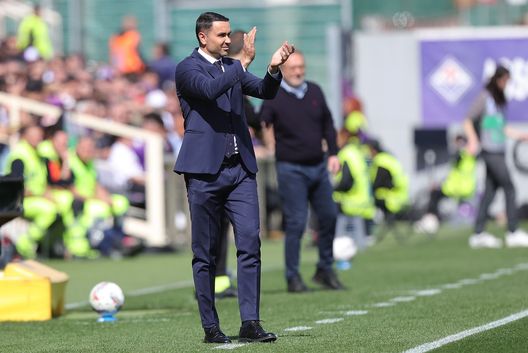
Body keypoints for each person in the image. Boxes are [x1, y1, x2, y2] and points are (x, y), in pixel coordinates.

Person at [173, 12, 294, 344]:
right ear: (203, 37)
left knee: (250, 244)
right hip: (204, 172)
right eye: (222, 35)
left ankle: (250, 322)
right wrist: (242, 63)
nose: (229, 40)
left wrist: (272, 68)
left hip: (240, 170)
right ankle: (211, 327)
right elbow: (210, 91)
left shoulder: (232, 67)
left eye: (229, 35)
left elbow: (264, 91)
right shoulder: (187, 69)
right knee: (205, 253)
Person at [260, 51, 344, 293]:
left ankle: (325, 269)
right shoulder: (274, 95)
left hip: (318, 165)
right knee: (296, 222)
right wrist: (266, 140)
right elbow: (263, 121)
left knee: (329, 216)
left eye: (301, 67)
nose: (298, 72)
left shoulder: (315, 91)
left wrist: (334, 153)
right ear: (284, 70)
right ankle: (292, 276)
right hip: (291, 168)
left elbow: (328, 124)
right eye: (293, 68)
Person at [464, 65, 528, 248]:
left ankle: (478, 233)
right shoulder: (485, 97)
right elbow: (468, 119)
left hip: (499, 150)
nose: (506, 85)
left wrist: (520, 135)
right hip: (490, 152)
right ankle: (513, 231)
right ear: (498, 79)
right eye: (505, 81)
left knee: (490, 192)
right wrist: (473, 141)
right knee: (510, 187)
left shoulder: (498, 101)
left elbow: (501, 127)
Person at [4, 124, 58, 258]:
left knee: (63, 203)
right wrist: (42, 194)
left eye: (40, 135)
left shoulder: (36, 154)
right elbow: (16, 185)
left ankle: (55, 248)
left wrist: (48, 193)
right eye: (35, 135)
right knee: (49, 209)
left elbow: (43, 181)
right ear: (25, 136)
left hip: (34, 198)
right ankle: (24, 242)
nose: (39, 138)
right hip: (17, 201)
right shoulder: (20, 155)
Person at [414, 134, 476, 234]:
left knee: (434, 195)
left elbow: (455, 169)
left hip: (457, 188)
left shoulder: (461, 153)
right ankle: (433, 219)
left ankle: (431, 220)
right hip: (466, 187)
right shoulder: (469, 155)